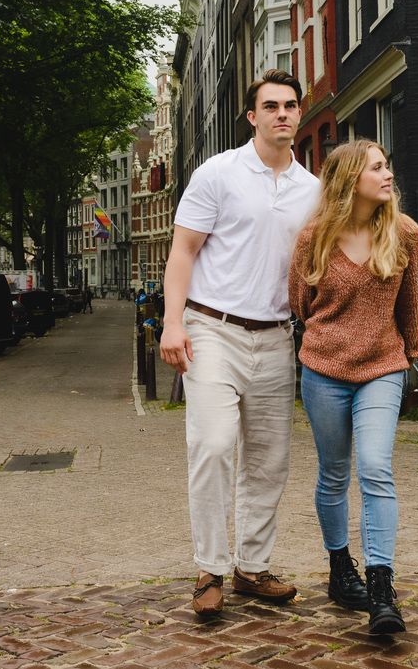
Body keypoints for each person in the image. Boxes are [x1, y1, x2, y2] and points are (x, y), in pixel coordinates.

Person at [160, 69, 321, 616]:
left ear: (300, 114)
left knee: (270, 459)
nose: (282, 113)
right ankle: (209, 570)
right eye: (270, 105)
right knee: (211, 446)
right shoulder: (218, 174)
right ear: (252, 116)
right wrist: (172, 323)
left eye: (290, 105)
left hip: (277, 336)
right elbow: (182, 251)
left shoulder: (314, 191)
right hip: (213, 330)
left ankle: (252, 567)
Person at [288, 139, 418, 635]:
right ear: (350, 180)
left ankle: (382, 587)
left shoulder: (405, 234)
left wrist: (408, 353)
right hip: (323, 371)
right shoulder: (314, 239)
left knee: (375, 468)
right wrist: (330, 343)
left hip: (383, 369)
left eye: (388, 165)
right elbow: (301, 305)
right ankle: (339, 568)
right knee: (333, 473)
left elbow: (413, 304)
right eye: (378, 168)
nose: (389, 175)